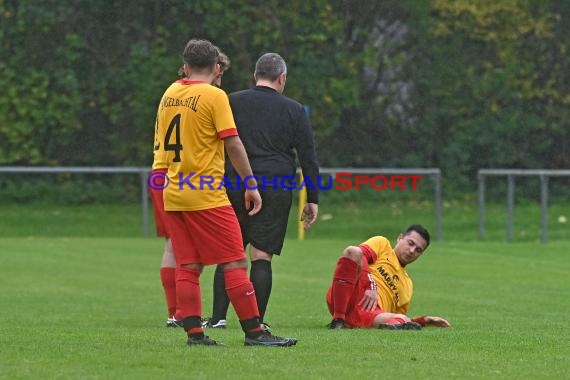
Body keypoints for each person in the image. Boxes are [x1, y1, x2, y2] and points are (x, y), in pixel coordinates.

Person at [154, 38, 296, 347]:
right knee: (234, 261)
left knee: (188, 265)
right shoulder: (214, 96)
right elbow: (233, 143)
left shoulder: (170, 93)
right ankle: (255, 333)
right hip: (206, 193)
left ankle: (195, 333)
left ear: (186, 65)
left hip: (174, 191)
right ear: (217, 67)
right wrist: (251, 184)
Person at [203, 53, 320, 329]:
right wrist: (312, 198)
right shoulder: (294, 110)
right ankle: (257, 321)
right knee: (261, 255)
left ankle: (218, 317)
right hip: (276, 186)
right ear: (282, 78)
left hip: (236, 183)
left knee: (230, 254)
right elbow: (308, 156)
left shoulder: (231, 101)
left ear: (255, 75)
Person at [151, 50, 231, 329]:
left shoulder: (171, 93)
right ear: (216, 69)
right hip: (183, 176)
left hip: (160, 174)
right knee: (191, 254)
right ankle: (181, 313)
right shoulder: (206, 96)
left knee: (173, 246)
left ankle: (176, 313)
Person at [326, 224, 450, 330]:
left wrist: (423, 320)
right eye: (410, 243)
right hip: (348, 296)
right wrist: (371, 286)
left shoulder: (408, 285)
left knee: (401, 319)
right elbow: (360, 254)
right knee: (353, 251)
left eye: (418, 250)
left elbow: (399, 318)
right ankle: (338, 320)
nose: (412, 251)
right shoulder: (382, 244)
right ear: (400, 238)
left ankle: (350, 323)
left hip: (370, 314)